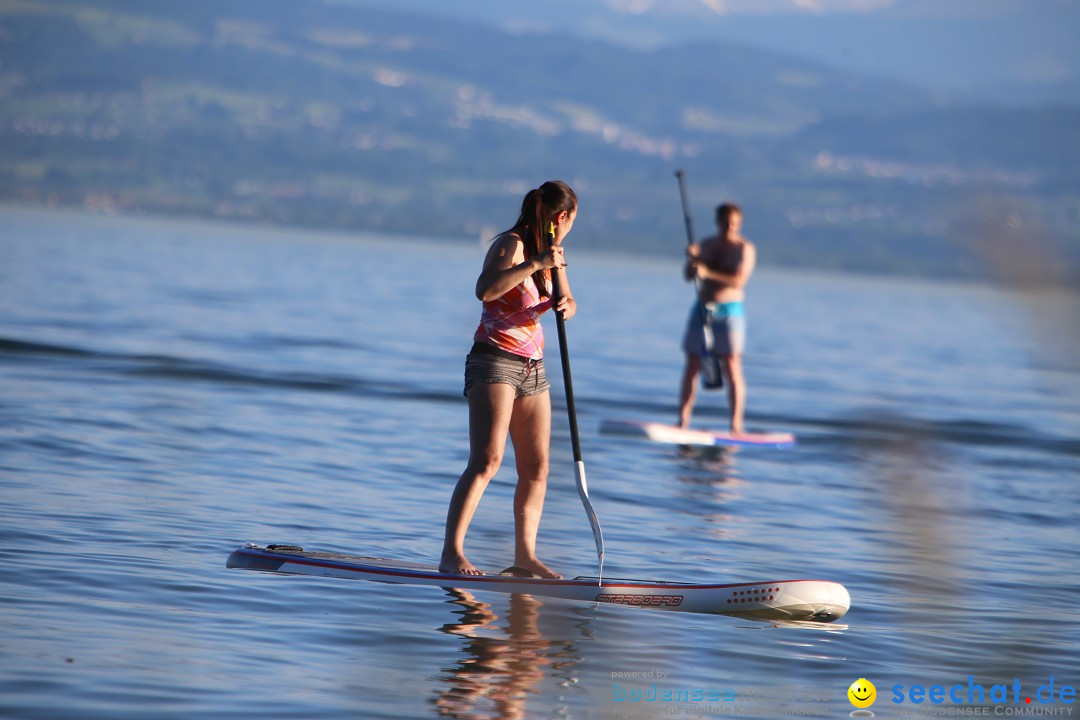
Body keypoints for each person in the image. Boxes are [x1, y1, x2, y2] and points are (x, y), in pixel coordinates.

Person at [439, 181, 578, 579]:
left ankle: (525, 557)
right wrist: (534, 265)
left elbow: (565, 299)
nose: (569, 231)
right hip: (494, 362)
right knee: (487, 460)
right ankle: (452, 554)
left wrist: (568, 304)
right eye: (571, 222)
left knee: (536, 468)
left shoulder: (557, 256)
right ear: (561, 218)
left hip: (535, 368)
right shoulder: (511, 245)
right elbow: (485, 291)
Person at [677, 202, 757, 433]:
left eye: (735, 224)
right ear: (718, 222)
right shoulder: (706, 245)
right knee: (692, 363)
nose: (730, 227)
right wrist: (691, 260)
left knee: (732, 365)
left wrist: (706, 272)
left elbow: (738, 281)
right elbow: (687, 276)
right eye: (726, 223)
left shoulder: (745, 249)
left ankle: (736, 425)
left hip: (730, 311)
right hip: (702, 310)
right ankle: (683, 420)